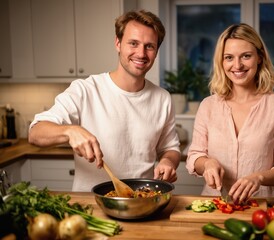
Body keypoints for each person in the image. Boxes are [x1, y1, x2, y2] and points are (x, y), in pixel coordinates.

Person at [28, 10, 181, 192]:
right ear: (118, 43)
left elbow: (170, 148)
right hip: (90, 206)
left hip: (142, 201)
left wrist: (167, 161)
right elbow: (35, 132)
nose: (141, 53)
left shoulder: (162, 98)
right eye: (133, 43)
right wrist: (70, 131)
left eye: (149, 46)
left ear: (156, 51)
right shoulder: (85, 90)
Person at [186, 23, 274, 203]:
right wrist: (207, 163)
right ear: (221, 62)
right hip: (215, 205)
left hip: (263, 207)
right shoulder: (208, 106)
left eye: (246, 56)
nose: (237, 65)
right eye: (229, 57)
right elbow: (195, 156)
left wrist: (259, 178)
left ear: (259, 57)